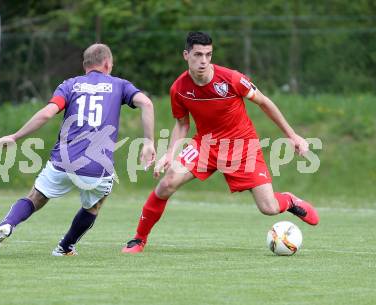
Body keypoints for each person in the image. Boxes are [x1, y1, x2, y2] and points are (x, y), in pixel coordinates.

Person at [122, 32, 319, 253]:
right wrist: (170, 154)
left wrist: (292, 136)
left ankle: (290, 201)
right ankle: (138, 239)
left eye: (208, 54)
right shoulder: (179, 88)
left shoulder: (232, 79)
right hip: (204, 146)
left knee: (269, 208)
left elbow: (264, 103)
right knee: (167, 183)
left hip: (242, 146)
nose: (204, 60)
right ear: (186, 55)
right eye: (198, 54)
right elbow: (182, 125)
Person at [0, 43, 155, 257]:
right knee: (94, 205)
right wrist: (148, 141)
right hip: (96, 166)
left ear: (85, 65)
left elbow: (46, 114)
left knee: (35, 197)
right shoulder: (119, 85)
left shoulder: (70, 85)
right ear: (108, 64)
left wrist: (15, 136)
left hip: (63, 161)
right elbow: (146, 103)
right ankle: (64, 247)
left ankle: (7, 224)